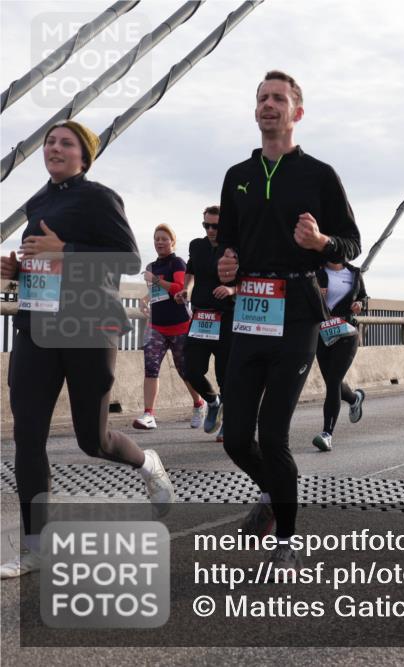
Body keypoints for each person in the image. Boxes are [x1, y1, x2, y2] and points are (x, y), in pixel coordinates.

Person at [0, 121, 174, 578]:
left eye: (66, 143)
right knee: (28, 437)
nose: (54, 148)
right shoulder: (37, 202)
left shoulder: (99, 198)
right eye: (50, 142)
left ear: (84, 155)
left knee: (91, 440)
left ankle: (146, 462)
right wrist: (17, 270)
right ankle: (36, 547)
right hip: (36, 328)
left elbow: (130, 260)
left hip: (88, 327)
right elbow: (47, 263)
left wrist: (66, 249)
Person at [216, 71, 361, 570]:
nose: (268, 105)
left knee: (272, 435)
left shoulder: (319, 175)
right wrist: (227, 265)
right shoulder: (238, 174)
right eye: (261, 98)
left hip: (297, 310)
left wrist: (321, 244)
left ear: (297, 112)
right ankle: (277, 492)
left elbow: (351, 243)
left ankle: (285, 538)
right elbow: (227, 246)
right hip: (250, 309)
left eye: (279, 99)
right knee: (236, 437)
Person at [133, 223, 203, 430]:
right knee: (151, 368)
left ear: (172, 242)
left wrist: (154, 280)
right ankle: (149, 415)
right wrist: (144, 300)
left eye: (164, 238)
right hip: (156, 326)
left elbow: (179, 289)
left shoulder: (178, 263)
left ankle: (199, 404)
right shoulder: (151, 267)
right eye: (156, 239)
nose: (160, 242)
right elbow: (158, 293)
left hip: (180, 325)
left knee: (185, 370)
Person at [178, 205, 233, 443]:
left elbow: (248, 280)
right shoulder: (196, 246)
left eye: (215, 226)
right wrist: (185, 289)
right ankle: (212, 401)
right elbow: (191, 271)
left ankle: (228, 422)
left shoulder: (234, 249)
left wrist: (231, 289)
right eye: (206, 225)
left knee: (226, 376)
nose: (210, 230)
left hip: (226, 317)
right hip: (201, 318)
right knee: (190, 370)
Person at [312, 260, 368, 451]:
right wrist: (315, 295)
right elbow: (301, 296)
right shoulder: (316, 270)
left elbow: (364, 298)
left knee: (334, 381)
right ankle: (354, 399)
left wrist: (360, 304)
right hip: (322, 333)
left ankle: (327, 434)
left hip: (346, 332)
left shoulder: (353, 273)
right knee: (331, 382)